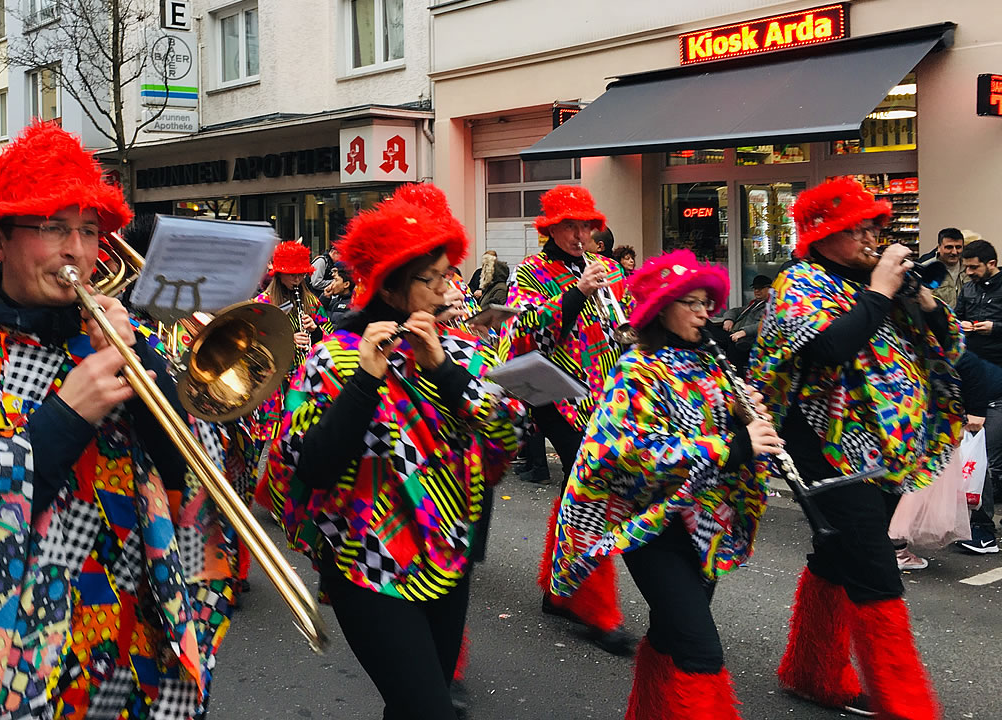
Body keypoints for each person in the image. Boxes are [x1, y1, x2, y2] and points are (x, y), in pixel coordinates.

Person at [0, 122, 237, 718]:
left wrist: (150, 380)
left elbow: (198, 489)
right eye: (55, 228)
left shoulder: (117, 340)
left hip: (128, 645)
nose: (79, 252)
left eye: (89, 231)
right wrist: (63, 419)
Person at [263, 185, 523, 720]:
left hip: (447, 557)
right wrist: (364, 381)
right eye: (435, 279)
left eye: (449, 275)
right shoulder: (333, 359)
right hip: (368, 564)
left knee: (411, 709)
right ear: (393, 284)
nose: (449, 290)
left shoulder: (461, 353)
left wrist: (445, 373)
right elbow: (308, 468)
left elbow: (507, 440)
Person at [750, 177, 960, 719]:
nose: (873, 237)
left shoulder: (876, 282)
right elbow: (828, 348)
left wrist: (927, 302)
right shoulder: (798, 285)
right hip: (826, 451)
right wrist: (882, 292)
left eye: (875, 225)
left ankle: (812, 672)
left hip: (887, 453)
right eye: (858, 228)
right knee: (874, 569)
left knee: (837, 557)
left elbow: (949, 346)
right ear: (821, 235)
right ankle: (904, 704)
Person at [550, 249, 775, 719]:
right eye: (690, 303)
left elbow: (726, 429)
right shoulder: (637, 370)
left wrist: (747, 414)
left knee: (672, 637)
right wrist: (731, 445)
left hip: (704, 524)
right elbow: (625, 452)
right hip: (651, 527)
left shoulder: (709, 362)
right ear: (661, 309)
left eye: (704, 302)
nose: (702, 312)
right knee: (701, 652)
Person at [503, 184, 635, 655]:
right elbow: (521, 331)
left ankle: (559, 588)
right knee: (591, 489)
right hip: (558, 393)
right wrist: (575, 294)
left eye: (586, 226)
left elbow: (624, 325)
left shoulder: (611, 268)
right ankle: (593, 606)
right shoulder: (533, 271)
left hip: (605, 392)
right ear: (552, 229)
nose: (580, 235)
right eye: (570, 227)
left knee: (576, 489)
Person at [252, 241, 331, 444]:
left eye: (301, 274)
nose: (298, 279)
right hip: (274, 381)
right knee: (271, 439)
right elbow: (252, 345)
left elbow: (333, 338)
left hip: (304, 377)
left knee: (302, 434)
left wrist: (316, 331)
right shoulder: (263, 303)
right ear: (279, 274)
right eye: (292, 274)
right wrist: (287, 340)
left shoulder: (312, 302)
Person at [954, 350, 1002, 553]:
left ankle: (983, 532)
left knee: (984, 461)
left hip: (994, 397)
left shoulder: (950, 353)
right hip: (976, 399)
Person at [711, 274, 772, 373]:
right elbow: (734, 311)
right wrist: (729, 319)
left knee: (726, 342)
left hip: (746, 340)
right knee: (707, 327)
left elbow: (766, 324)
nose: (756, 291)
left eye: (760, 288)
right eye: (755, 288)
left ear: (769, 289)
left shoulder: (771, 306)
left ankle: (733, 374)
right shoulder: (754, 303)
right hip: (733, 334)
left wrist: (744, 331)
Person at [956, 238, 1002, 367]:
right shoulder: (968, 288)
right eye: (966, 267)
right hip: (973, 358)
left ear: (991, 264)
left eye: (974, 267)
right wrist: (961, 324)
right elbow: (955, 317)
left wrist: (994, 328)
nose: (968, 272)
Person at [918, 228, 965, 307]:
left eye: (958, 247)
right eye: (949, 247)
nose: (954, 252)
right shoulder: (926, 269)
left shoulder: (969, 269)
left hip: (964, 319)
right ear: (939, 247)